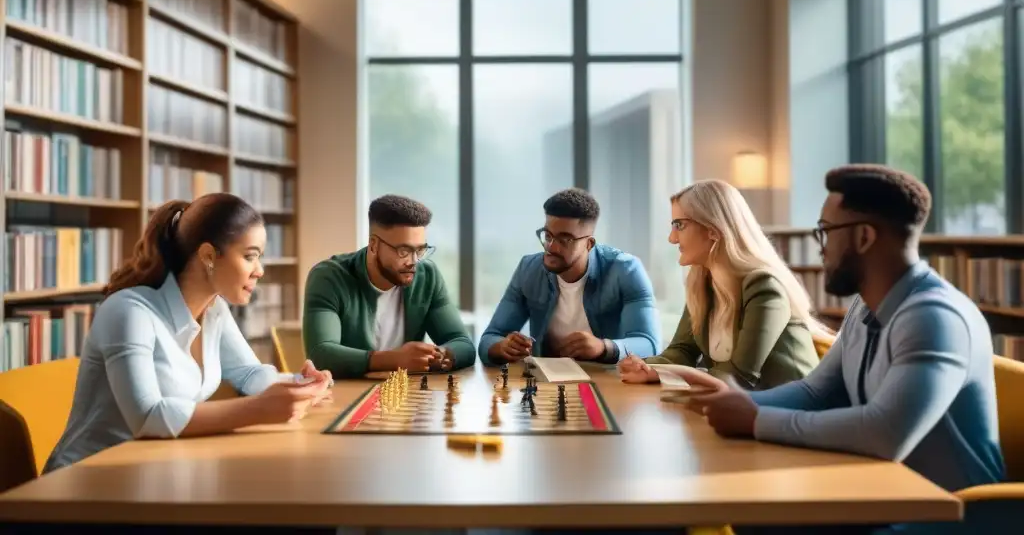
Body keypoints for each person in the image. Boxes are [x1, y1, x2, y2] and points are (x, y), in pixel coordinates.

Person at [692, 165, 1006, 533]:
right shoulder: (865, 306)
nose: (819, 247)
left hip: (949, 519)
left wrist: (755, 420)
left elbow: (884, 435)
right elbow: (816, 391)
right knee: (752, 517)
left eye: (825, 231)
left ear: (864, 237)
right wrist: (727, 402)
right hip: (885, 498)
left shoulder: (934, 317)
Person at [44, 194, 332, 472]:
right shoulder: (129, 311)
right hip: (83, 479)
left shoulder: (214, 310)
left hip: (148, 469)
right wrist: (258, 409)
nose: (260, 270)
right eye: (250, 257)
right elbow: (148, 417)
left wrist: (300, 385)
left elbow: (248, 373)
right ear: (208, 255)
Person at [617, 180, 823, 391]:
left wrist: (662, 373)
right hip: (748, 409)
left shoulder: (764, 287)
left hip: (793, 413)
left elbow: (739, 377)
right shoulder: (703, 285)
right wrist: (644, 366)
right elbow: (682, 351)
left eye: (679, 225)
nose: (672, 238)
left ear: (713, 230)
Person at [478, 188, 660, 365]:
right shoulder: (529, 269)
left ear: (589, 244)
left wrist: (602, 347)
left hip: (610, 382)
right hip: (549, 383)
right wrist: (503, 347)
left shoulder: (626, 270)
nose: (551, 247)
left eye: (565, 239)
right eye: (548, 235)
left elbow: (649, 344)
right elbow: (490, 338)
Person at [303, 194, 475, 378]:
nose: (414, 261)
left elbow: (463, 344)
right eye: (404, 251)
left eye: (420, 250)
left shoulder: (427, 276)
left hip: (404, 395)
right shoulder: (329, 277)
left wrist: (442, 355)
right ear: (374, 245)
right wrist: (395, 360)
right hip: (346, 397)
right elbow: (321, 355)